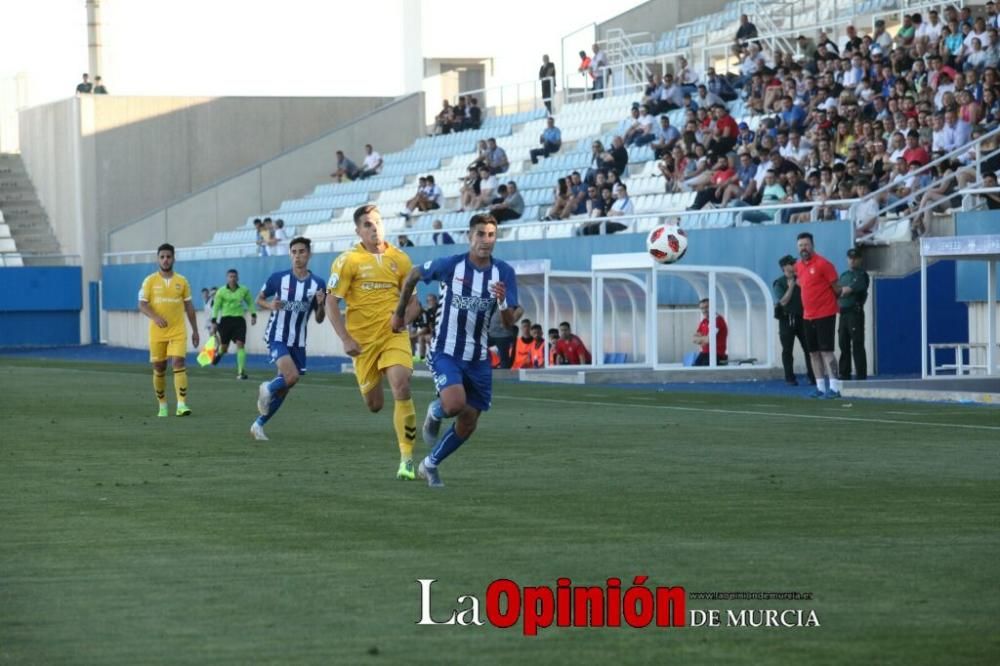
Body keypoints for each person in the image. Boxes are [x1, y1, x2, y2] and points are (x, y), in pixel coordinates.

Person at [391, 214, 519, 487]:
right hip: (445, 351)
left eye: (491, 235)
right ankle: (436, 411)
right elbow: (414, 273)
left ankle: (430, 464)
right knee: (454, 404)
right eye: (481, 234)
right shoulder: (452, 266)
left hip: (479, 358)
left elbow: (508, 323)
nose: (486, 241)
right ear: (469, 236)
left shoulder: (504, 273)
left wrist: (503, 301)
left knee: (469, 421)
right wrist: (400, 313)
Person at [326, 204, 422, 479]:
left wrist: (401, 320)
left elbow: (414, 303)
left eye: (377, 222)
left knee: (402, 386)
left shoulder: (401, 260)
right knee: (375, 405)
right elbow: (332, 301)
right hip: (362, 343)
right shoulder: (348, 261)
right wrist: (345, 338)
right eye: (367, 224)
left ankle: (407, 460)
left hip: (393, 336)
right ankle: (374, 375)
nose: (374, 228)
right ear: (358, 230)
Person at [252, 237, 326, 440]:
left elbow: (319, 319)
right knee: (291, 377)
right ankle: (266, 387)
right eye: (294, 252)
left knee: (285, 388)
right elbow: (258, 299)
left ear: (309, 254)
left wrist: (320, 305)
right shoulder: (278, 278)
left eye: (302, 251)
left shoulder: (318, 284)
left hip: (298, 341)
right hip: (277, 336)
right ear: (290, 255)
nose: (297, 256)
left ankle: (258, 425)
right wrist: (270, 305)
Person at [138, 243, 199, 417]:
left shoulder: (182, 281)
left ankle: (181, 405)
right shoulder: (149, 281)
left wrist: (195, 330)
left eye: (168, 256)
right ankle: (163, 405)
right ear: (158, 259)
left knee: (178, 363)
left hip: (178, 331)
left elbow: (189, 307)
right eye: (162, 257)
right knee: (159, 367)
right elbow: (142, 304)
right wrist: (155, 317)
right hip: (157, 332)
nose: (165, 260)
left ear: (174, 258)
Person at [794, 232, 842, 399]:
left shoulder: (823, 264)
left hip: (825, 314)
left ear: (812, 245)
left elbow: (837, 288)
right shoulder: (798, 266)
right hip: (808, 315)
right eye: (800, 246)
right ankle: (820, 386)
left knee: (826, 351)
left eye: (806, 245)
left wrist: (827, 302)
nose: (803, 248)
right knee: (813, 352)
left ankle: (835, 387)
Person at [773, 255, 815, 386]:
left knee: (809, 348)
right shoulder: (779, 283)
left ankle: (813, 376)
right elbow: (783, 301)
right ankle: (790, 378)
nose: (794, 265)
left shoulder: (801, 279)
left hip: (803, 318)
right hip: (786, 319)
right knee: (787, 350)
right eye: (791, 263)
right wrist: (791, 286)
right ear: (784, 267)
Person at [210, 268, 257, 380]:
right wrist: (214, 321)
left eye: (234, 276)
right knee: (224, 348)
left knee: (240, 344)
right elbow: (216, 306)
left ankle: (241, 372)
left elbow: (250, 302)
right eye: (230, 276)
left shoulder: (244, 290)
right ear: (227, 278)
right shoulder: (221, 291)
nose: (232, 278)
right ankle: (219, 354)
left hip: (239, 321)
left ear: (238, 278)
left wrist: (253, 314)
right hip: (225, 321)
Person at [837, 248, 869, 381]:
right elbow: (838, 290)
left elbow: (846, 290)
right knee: (843, 343)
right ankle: (844, 373)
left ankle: (861, 375)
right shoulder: (844, 275)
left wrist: (841, 291)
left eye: (855, 258)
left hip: (854, 312)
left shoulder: (861, 275)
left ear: (860, 259)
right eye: (850, 258)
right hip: (843, 312)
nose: (852, 260)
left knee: (857, 344)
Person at [692, 298, 728, 366]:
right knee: (693, 371)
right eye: (702, 308)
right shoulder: (704, 321)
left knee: (705, 373)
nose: (704, 310)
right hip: (705, 353)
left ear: (712, 307)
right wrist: (703, 339)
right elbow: (694, 339)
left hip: (717, 354)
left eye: (706, 307)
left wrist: (701, 340)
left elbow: (708, 340)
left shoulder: (717, 320)